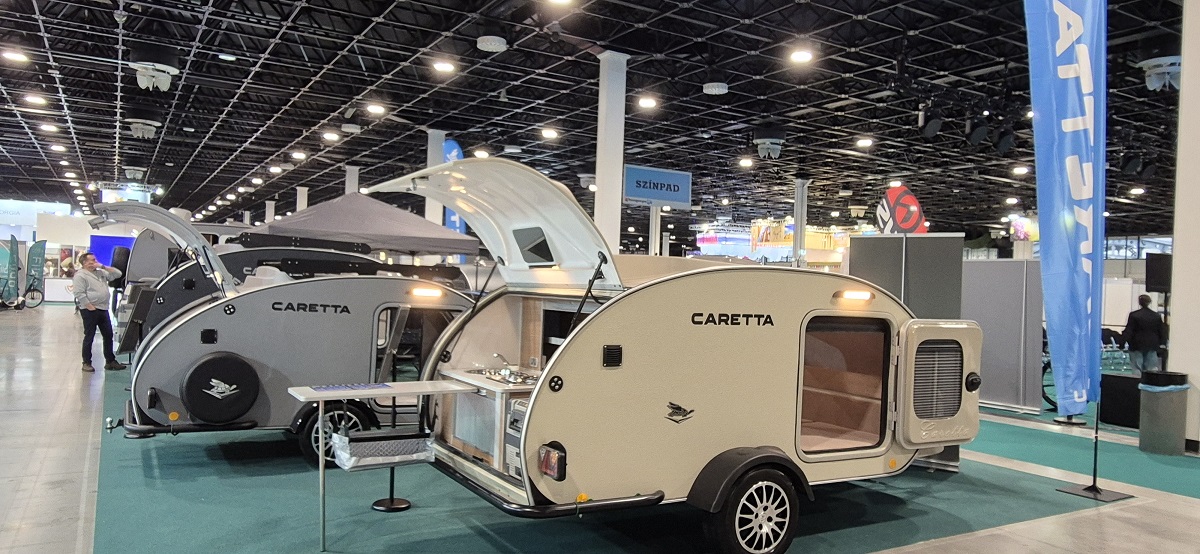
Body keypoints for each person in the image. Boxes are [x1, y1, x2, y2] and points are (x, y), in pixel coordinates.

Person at [72, 252, 127, 372]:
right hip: (90, 310)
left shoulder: (100, 272)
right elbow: (79, 293)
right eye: (91, 260)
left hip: (103, 309)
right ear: (84, 262)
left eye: (95, 260)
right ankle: (86, 362)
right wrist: (89, 306)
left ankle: (110, 361)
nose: (94, 262)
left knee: (108, 335)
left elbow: (117, 274)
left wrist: (103, 266)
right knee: (89, 336)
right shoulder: (80, 276)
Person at [1123, 294, 1166, 373]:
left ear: (1139, 302)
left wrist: (1122, 343)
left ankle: (1138, 380)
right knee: (1151, 369)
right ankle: (1150, 381)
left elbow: (1129, 331)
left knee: (1136, 368)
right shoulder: (1156, 316)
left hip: (1136, 345)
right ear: (1149, 302)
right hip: (1152, 345)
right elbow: (1161, 331)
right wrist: (1162, 344)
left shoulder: (1134, 315)